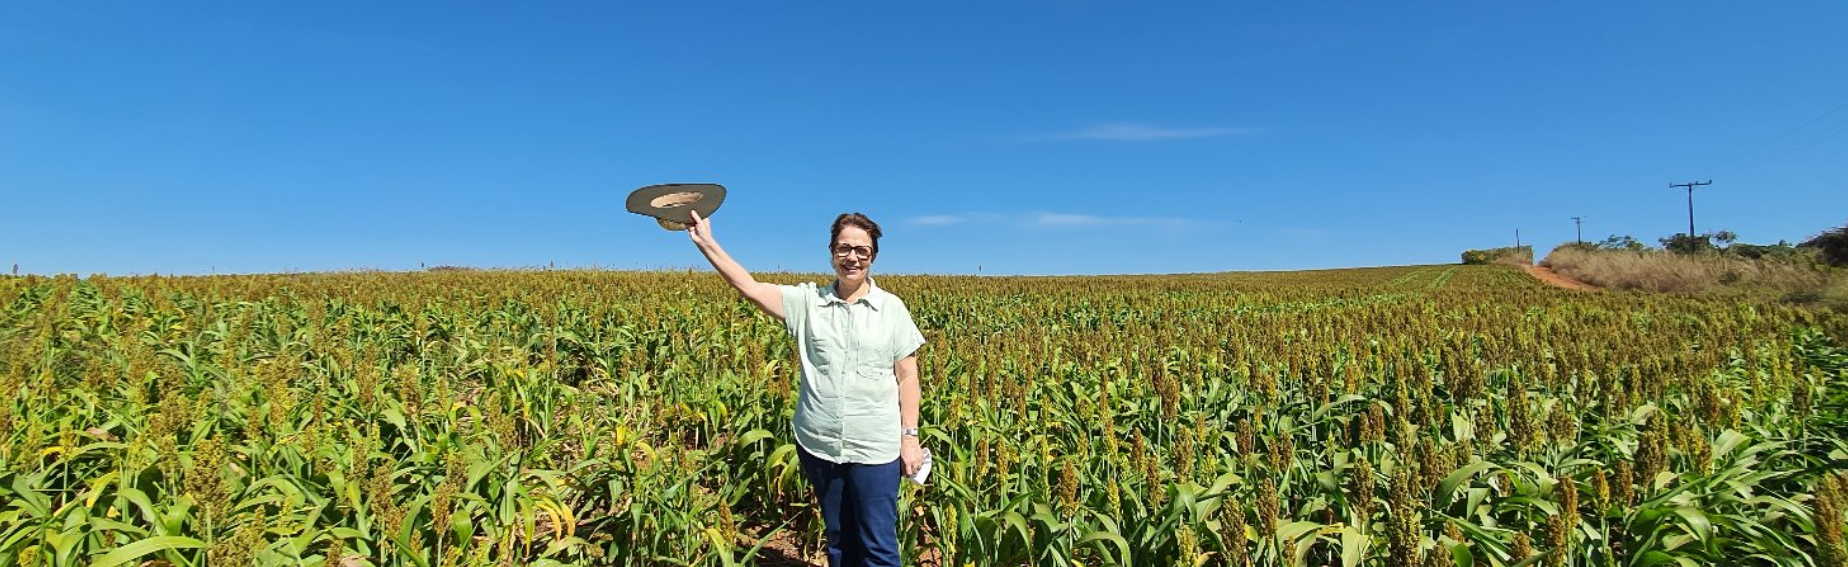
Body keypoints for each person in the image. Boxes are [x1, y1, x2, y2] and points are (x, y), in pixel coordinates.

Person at [686, 209, 926, 567]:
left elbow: (908, 377)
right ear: (831, 253)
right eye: (844, 248)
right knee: (840, 540)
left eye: (862, 249)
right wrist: (707, 242)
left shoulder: (891, 309)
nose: (852, 257)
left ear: (873, 256)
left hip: (876, 447)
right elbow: (749, 287)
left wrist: (910, 437)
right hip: (820, 444)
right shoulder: (808, 302)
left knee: (878, 545)